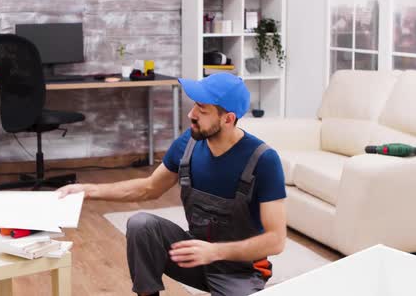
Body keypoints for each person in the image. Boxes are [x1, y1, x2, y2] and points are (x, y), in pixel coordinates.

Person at [57, 73, 287, 296]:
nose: (191, 114)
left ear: (228, 119)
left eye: (202, 109)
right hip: (194, 256)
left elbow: (276, 241)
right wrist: (89, 190)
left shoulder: (263, 160)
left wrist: (215, 252)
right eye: (194, 105)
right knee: (142, 225)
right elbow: (149, 187)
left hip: (240, 271)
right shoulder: (188, 143)